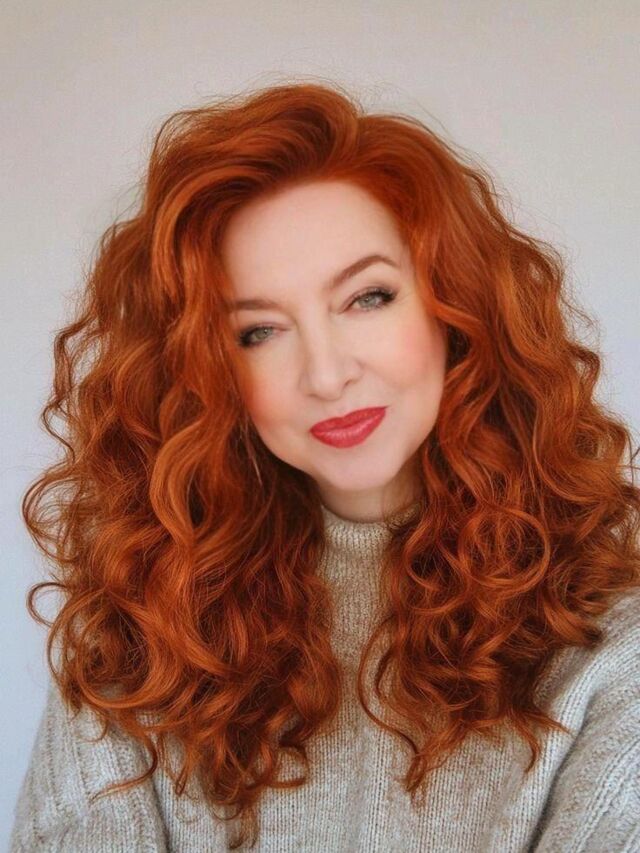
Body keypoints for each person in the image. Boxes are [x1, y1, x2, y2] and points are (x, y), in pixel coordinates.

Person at [10, 80, 640, 852]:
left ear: (457, 305)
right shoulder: (142, 627)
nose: (327, 373)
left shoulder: (607, 636)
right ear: (205, 373)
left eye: (367, 298)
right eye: (257, 332)